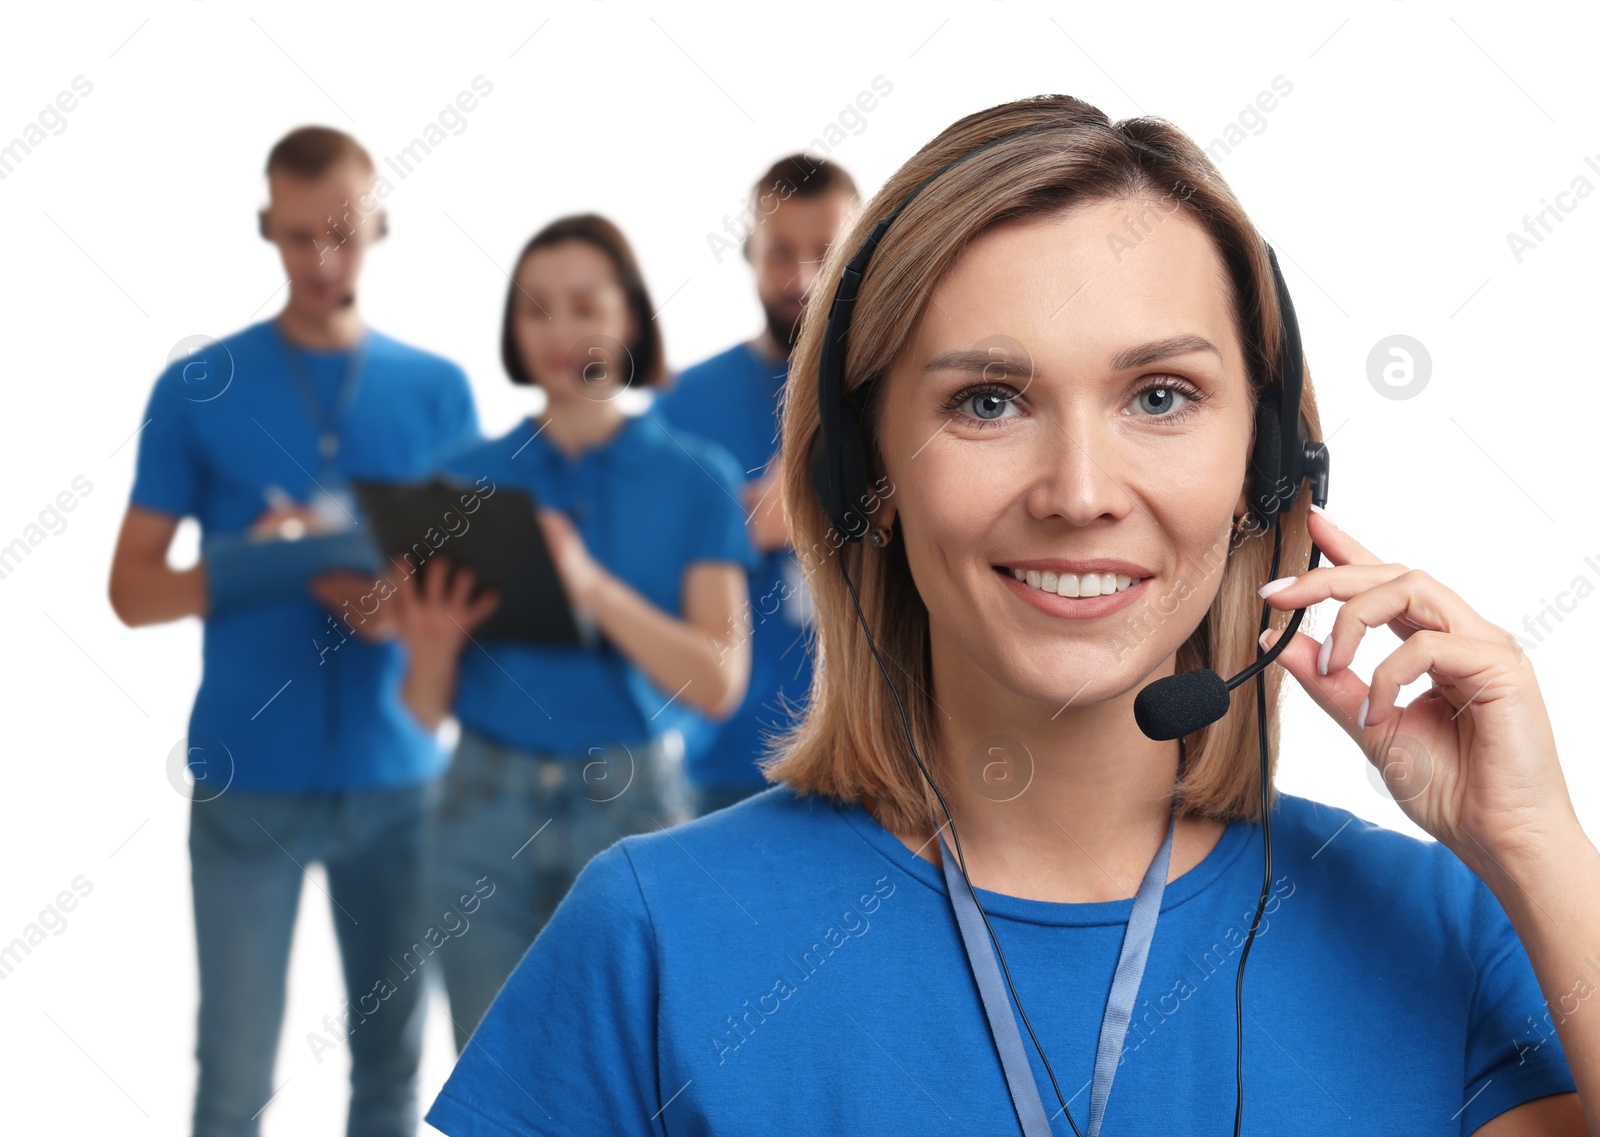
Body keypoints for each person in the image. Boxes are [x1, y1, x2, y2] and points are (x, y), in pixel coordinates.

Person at [423, 96, 1594, 1135]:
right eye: (988, 400)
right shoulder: (655, 944)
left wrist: (1539, 847)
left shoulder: (1443, 926)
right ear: (859, 483)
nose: (1079, 492)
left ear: (1269, 469)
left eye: (1159, 395)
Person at [108, 127, 480, 1137]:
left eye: (344, 235)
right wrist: (270, 563)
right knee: (232, 1080)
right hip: (247, 786)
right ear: (266, 229)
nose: (323, 263)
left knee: (394, 1073)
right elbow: (134, 592)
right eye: (299, 237)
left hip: (400, 786)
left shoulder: (438, 390)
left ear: (379, 228)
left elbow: (459, 590)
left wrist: (380, 601)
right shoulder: (198, 388)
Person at [390, 213, 758, 1055]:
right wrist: (436, 644)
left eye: (584, 304)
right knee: (496, 1093)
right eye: (537, 310)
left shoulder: (694, 477)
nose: (561, 332)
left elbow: (716, 678)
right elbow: (420, 709)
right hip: (479, 811)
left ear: (628, 316)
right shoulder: (465, 480)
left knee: (630, 1089)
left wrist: (587, 584)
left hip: (632, 812)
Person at [653, 154, 858, 817]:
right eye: (779, 254)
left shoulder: (906, 396)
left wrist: (822, 515)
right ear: (748, 254)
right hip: (727, 761)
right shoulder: (682, 405)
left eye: (825, 252)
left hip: (877, 753)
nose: (801, 278)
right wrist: (740, 529)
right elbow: (635, 570)